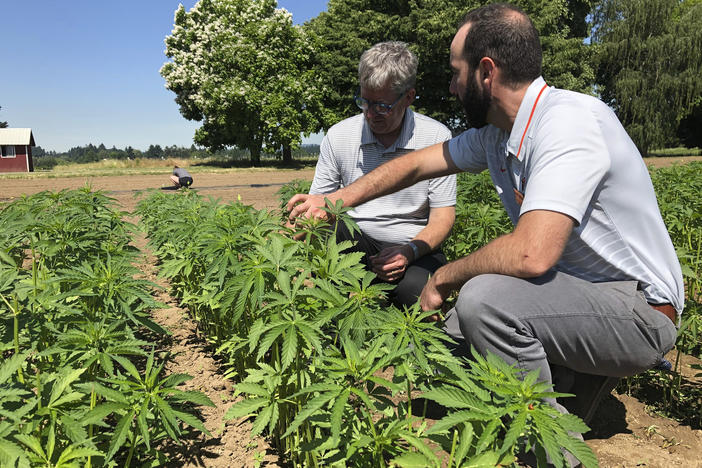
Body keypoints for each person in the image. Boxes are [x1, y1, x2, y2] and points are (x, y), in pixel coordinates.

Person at [287, 1, 683, 442]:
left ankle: (548, 447)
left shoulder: (568, 123)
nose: (453, 88)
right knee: (444, 361)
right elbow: (414, 167)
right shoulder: (499, 134)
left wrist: (441, 280)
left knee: (484, 300)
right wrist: (333, 201)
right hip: (573, 298)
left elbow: (531, 254)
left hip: (638, 312)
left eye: (456, 73)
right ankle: (570, 380)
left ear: (486, 72)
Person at [303, 41, 457, 308]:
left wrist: (408, 252)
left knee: (416, 296)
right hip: (356, 243)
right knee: (338, 228)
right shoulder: (339, 135)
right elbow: (320, 204)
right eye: (365, 102)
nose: (371, 114)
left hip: (414, 248)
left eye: (382, 106)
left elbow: (443, 218)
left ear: (408, 97)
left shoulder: (436, 137)